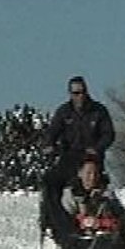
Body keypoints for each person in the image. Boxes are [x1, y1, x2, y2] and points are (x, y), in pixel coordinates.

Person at [40, 76, 115, 240]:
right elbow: (52, 132)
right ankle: (56, 224)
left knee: (100, 190)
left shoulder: (99, 111)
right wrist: (49, 145)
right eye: (75, 93)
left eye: (81, 92)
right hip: (69, 159)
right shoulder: (63, 112)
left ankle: (107, 223)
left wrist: (97, 147)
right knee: (49, 182)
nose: (79, 96)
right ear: (70, 94)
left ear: (87, 92)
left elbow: (108, 134)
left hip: (92, 158)